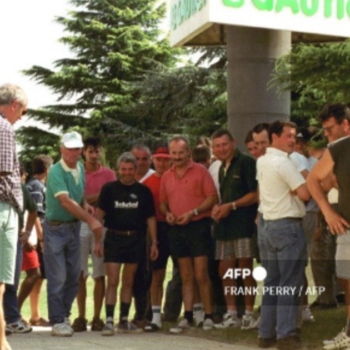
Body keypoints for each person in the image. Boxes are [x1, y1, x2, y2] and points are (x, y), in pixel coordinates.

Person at [43, 131, 103, 337]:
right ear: (61, 149)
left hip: (73, 228)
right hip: (55, 228)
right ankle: (58, 320)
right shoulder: (56, 172)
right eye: (69, 148)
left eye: (77, 148)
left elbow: (79, 194)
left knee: (73, 276)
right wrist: (91, 219)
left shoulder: (79, 167)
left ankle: (64, 315)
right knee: (58, 276)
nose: (73, 152)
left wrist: (85, 204)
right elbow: (66, 202)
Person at [257, 121, 310, 350]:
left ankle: (266, 333)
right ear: (275, 137)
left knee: (273, 283)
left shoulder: (262, 160)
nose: (292, 140)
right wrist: (297, 187)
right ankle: (286, 335)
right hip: (288, 225)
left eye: (294, 136)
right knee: (290, 282)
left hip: (268, 225)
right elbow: (306, 194)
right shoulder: (284, 162)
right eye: (288, 136)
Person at [94, 152, 158, 336]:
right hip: (114, 237)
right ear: (118, 170)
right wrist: (98, 241)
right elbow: (99, 216)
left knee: (128, 281)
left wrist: (154, 243)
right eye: (124, 169)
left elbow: (151, 218)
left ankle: (123, 319)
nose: (127, 173)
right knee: (112, 280)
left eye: (131, 169)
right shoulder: (108, 189)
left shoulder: (143, 191)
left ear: (136, 170)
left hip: (136, 239)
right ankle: (108, 321)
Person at [160, 136, 218, 333]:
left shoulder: (200, 171)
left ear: (188, 153)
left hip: (198, 225)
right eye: (174, 153)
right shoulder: (167, 175)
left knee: (201, 273)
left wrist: (193, 212)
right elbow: (162, 202)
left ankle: (209, 316)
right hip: (176, 228)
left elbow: (212, 197)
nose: (177, 157)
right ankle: (188, 316)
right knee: (185, 275)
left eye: (180, 153)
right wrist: (167, 213)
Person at [307, 104, 350, 350]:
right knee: (346, 279)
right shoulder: (337, 149)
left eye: (329, 128)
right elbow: (313, 180)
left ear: (345, 124)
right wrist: (327, 211)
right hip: (346, 227)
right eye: (324, 129)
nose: (326, 134)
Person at [211, 129, 258, 330]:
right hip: (224, 227)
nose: (221, 149)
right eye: (217, 146)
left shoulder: (246, 162)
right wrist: (218, 208)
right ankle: (231, 314)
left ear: (233, 143)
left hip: (243, 225)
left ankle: (248, 313)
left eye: (224, 144)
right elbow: (223, 198)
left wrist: (231, 206)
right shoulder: (221, 167)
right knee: (226, 270)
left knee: (245, 270)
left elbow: (255, 194)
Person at [72, 137, 116, 332]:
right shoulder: (76, 171)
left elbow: (113, 198)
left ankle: (97, 317)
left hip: (103, 224)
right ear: (84, 152)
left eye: (97, 151)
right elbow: (75, 200)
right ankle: (81, 316)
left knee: (100, 273)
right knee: (80, 273)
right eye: (90, 151)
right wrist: (101, 195)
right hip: (80, 224)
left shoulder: (109, 173)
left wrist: (90, 199)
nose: (94, 155)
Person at [0, 83, 27, 350]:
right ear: (14, 104)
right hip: (2, 209)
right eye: (23, 111)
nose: (21, 117)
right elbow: (5, 172)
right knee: (0, 281)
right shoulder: (5, 128)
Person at [18, 155, 53, 327]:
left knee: (37, 276)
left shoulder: (30, 185)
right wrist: (40, 239)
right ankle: (15, 313)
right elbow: (35, 214)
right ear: (48, 169)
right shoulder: (38, 187)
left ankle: (35, 315)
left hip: (28, 235)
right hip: (32, 237)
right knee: (35, 274)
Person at [142, 145, 172, 332]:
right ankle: (155, 316)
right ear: (153, 160)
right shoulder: (147, 183)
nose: (162, 163)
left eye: (165, 159)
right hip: (156, 228)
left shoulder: (177, 177)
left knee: (186, 272)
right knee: (157, 274)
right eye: (158, 159)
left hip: (176, 226)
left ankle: (192, 314)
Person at [4, 165, 36, 335]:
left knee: (11, 281)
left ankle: (11, 320)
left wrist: (28, 232)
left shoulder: (21, 188)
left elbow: (33, 210)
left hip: (14, 238)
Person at [130, 144, 155, 326]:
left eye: (144, 159)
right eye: (136, 159)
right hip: (129, 234)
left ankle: (146, 314)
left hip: (149, 232)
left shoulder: (154, 178)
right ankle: (137, 313)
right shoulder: (126, 179)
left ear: (150, 160)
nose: (140, 162)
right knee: (133, 274)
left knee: (148, 274)